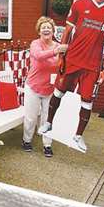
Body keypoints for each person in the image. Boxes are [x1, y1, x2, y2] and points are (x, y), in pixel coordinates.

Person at [38, 0, 104, 152]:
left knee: (87, 101)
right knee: (58, 92)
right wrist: (61, 56)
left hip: (92, 66)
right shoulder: (79, 4)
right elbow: (67, 31)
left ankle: (77, 136)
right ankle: (49, 123)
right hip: (72, 60)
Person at [22, 16, 67, 157]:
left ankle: (47, 145)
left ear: (53, 31)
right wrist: (56, 51)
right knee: (31, 117)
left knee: (48, 119)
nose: (46, 29)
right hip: (33, 87)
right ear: (39, 31)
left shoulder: (58, 45)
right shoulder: (35, 44)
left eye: (49, 27)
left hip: (50, 89)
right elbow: (39, 56)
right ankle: (26, 140)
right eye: (43, 28)